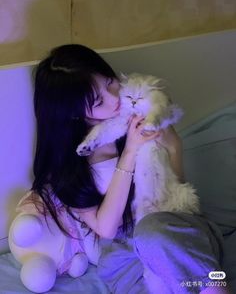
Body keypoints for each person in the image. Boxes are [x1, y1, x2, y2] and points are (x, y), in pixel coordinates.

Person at [24, 44, 232, 293]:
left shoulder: (139, 110)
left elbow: (172, 185)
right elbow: (106, 228)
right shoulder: (69, 165)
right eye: (99, 100)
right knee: (142, 243)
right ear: (73, 113)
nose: (114, 99)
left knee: (156, 233)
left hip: (171, 231)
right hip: (127, 254)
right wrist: (130, 152)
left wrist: (173, 146)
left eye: (110, 82)